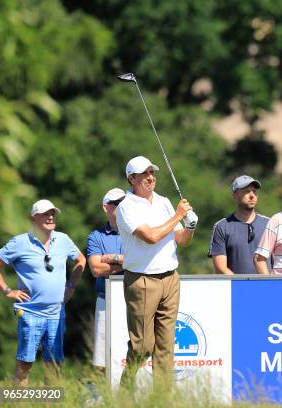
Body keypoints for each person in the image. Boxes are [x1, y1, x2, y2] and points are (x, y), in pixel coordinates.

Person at [116, 156, 197, 388]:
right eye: (144, 174)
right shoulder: (126, 207)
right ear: (131, 178)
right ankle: (126, 388)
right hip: (142, 280)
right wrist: (179, 216)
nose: (150, 177)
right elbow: (150, 237)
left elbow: (181, 240)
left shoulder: (163, 202)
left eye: (152, 173)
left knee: (166, 347)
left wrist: (190, 226)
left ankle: (161, 398)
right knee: (142, 346)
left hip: (170, 277)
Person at [0, 199, 86, 385]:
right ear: (33, 218)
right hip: (29, 313)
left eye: (52, 213)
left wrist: (70, 286)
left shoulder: (63, 240)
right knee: (24, 365)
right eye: (45, 213)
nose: (50, 216)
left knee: (54, 366)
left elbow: (80, 260)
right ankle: (18, 404)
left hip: (56, 313)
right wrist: (7, 290)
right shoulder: (19, 242)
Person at [86, 188, 126, 372]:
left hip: (135, 298)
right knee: (101, 360)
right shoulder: (96, 236)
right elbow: (95, 269)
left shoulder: (136, 231)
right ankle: (101, 397)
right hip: (106, 300)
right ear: (106, 208)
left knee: (136, 354)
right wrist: (126, 261)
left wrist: (112, 258)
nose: (123, 207)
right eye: (117, 204)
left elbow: (143, 261)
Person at [209, 175, 270, 274]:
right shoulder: (222, 226)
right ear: (235, 196)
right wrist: (240, 285)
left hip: (266, 287)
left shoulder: (269, 224)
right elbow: (221, 268)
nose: (252, 195)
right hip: (235, 288)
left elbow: (278, 261)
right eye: (246, 191)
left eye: (254, 191)